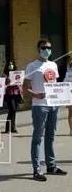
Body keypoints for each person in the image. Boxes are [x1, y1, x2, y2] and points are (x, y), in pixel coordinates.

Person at [23, 38, 67, 181]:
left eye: (49, 47)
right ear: (38, 49)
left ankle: (51, 165)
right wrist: (35, 94)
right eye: (43, 48)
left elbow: (55, 84)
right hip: (39, 105)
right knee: (37, 137)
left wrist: (63, 95)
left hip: (53, 104)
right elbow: (25, 88)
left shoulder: (53, 65)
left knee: (51, 136)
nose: (46, 50)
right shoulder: (32, 66)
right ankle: (36, 169)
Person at [3, 60, 23, 133]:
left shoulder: (16, 74)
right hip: (9, 94)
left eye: (12, 64)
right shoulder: (5, 75)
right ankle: (7, 128)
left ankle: (13, 128)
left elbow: (19, 84)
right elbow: (3, 84)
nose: (11, 65)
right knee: (12, 110)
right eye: (9, 64)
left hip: (16, 94)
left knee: (14, 111)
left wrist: (20, 92)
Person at [64, 55, 72, 135]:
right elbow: (65, 83)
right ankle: (71, 130)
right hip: (70, 95)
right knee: (70, 113)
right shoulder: (68, 72)